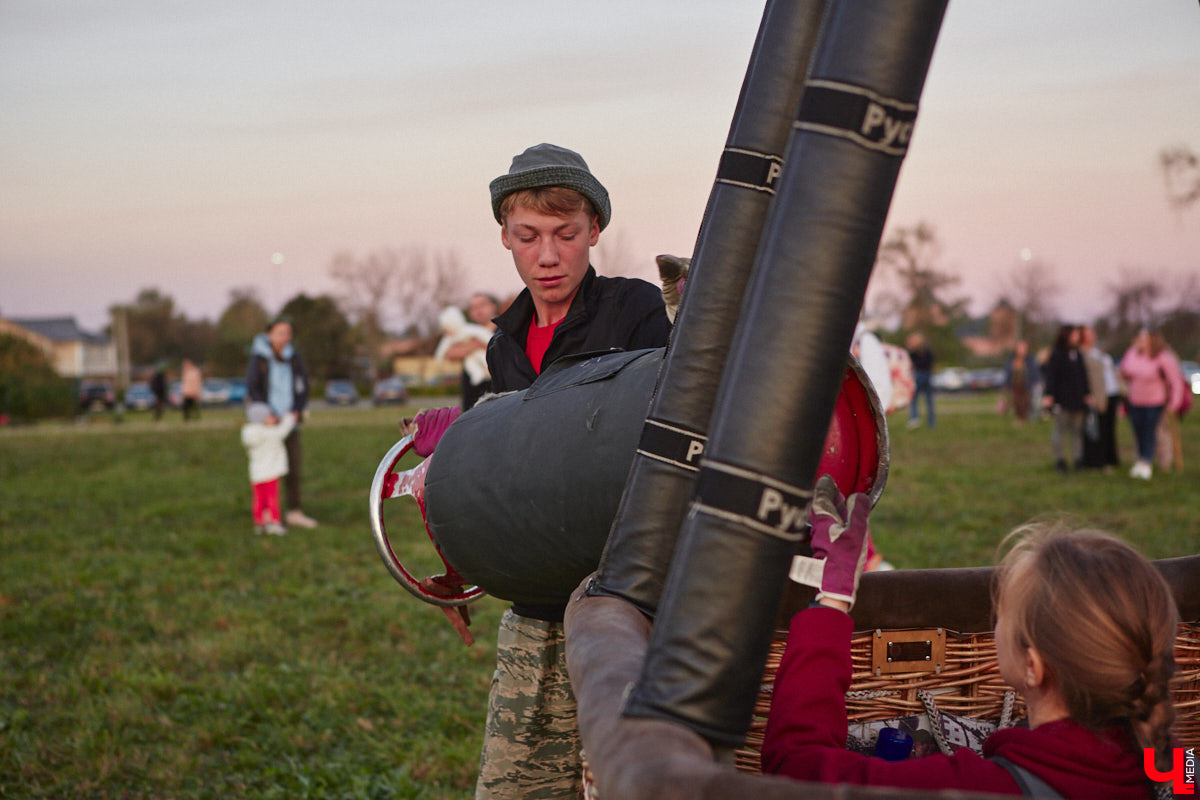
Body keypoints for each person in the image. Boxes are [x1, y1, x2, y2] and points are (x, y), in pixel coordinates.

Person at [412, 142, 671, 800]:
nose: (548, 255)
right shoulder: (503, 345)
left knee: (626, 776)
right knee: (519, 784)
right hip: (538, 599)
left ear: (595, 232)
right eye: (528, 236)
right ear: (504, 235)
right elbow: (492, 472)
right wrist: (461, 557)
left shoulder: (636, 310)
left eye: (567, 234)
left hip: (630, 599)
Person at [761, 477, 1179, 798]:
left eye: (1004, 616)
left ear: (1032, 668)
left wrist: (832, 602)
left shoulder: (978, 787)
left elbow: (798, 775)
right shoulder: (1177, 762)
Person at [246, 315, 317, 528]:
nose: (284, 337)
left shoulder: (294, 357)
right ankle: (267, 512)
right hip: (268, 423)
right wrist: (268, 415)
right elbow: (253, 388)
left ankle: (294, 511)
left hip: (290, 421)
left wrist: (296, 410)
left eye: (287, 332)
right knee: (268, 470)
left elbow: (303, 385)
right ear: (270, 334)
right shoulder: (259, 359)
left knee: (293, 466)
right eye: (280, 332)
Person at [1119, 328, 1186, 480]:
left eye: (1144, 338)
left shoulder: (1162, 357)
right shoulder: (1132, 353)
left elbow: (1175, 381)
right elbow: (1124, 371)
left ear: (1152, 340)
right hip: (1135, 401)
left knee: (1150, 432)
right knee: (1139, 431)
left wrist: (1174, 403)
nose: (1140, 341)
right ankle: (1141, 459)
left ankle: (1147, 462)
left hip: (1155, 401)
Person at [240, 402, 296, 535]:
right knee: (272, 499)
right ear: (262, 418)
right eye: (271, 415)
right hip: (270, 473)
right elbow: (283, 431)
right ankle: (274, 522)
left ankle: (259, 522)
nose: (274, 418)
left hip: (256, 474)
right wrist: (290, 418)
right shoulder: (269, 434)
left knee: (259, 499)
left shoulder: (249, 433)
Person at [1040, 325, 1090, 474]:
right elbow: (1052, 376)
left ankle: (1078, 459)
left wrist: (1087, 394)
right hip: (1063, 400)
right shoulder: (1057, 354)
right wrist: (1049, 395)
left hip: (1078, 400)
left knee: (1077, 431)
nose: (1076, 337)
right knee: (1060, 431)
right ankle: (1060, 460)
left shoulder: (1078, 353)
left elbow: (1083, 376)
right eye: (1074, 334)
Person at [433, 296, 497, 410]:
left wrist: (469, 347)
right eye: (473, 307)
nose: (478, 310)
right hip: (471, 393)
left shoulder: (503, 330)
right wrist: (476, 344)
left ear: (493, 306)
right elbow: (449, 352)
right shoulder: (463, 331)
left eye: (482, 305)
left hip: (497, 391)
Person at [1078, 325, 1122, 471]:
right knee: (1098, 429)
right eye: (1088, 333)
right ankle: (1098, 461)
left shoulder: (1098, 352)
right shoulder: (1081, 354)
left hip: (1112, 393)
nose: (1092, 335)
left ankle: (1111, 458)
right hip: (1098, 395)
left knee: (1110, 428)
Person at [1002, 339, 1038, 424]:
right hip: (1015, 385)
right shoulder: (1011, 360)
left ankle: (1025, 418)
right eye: (1020, 348)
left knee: (1026, 401)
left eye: (1024, 348)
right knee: (1016, 402)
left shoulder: (1030, 360)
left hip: (1026, 385)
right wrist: (1005, 386)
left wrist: (1037, 382)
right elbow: (1008, 374)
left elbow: (1035, 372)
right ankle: (1020, 418)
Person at [905, 331, 935, 429]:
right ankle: (931, 422)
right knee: (929, 400)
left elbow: (911, 363)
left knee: (914, 399)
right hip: (927, 374)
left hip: (919, 375)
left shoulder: (914, 353)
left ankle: (914, 418)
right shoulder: (927, 351)